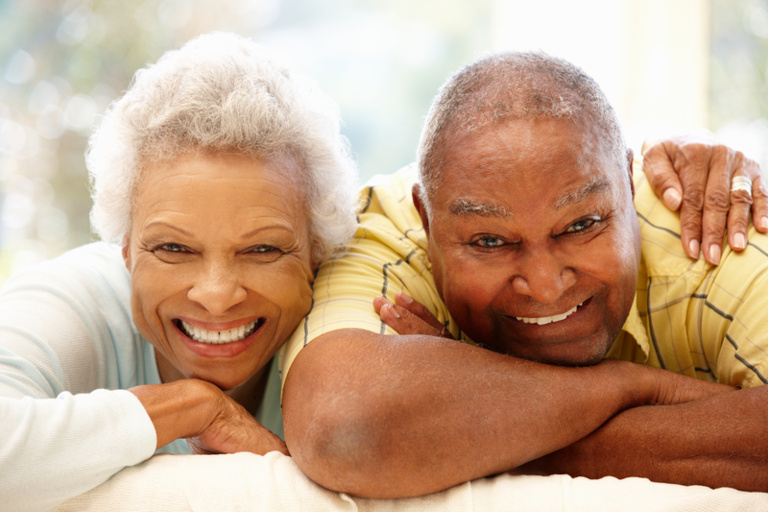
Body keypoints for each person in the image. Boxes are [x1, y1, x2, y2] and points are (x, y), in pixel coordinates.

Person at [279, 51, 768, 498]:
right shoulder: (381, 235)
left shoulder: (715, 240)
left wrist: (470, 431)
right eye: (490, 242)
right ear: (427, 223)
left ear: (629, 182)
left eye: (581, 225)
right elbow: (340, 429)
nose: (545, 284)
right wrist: (632, 386)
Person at [0, 31, 358, 510]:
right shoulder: (74, 299)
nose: (216, 295)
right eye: (173, 248)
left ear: (317, 254)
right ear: (125, 250)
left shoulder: (353, 317)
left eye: (263, 249)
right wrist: (195, 409)